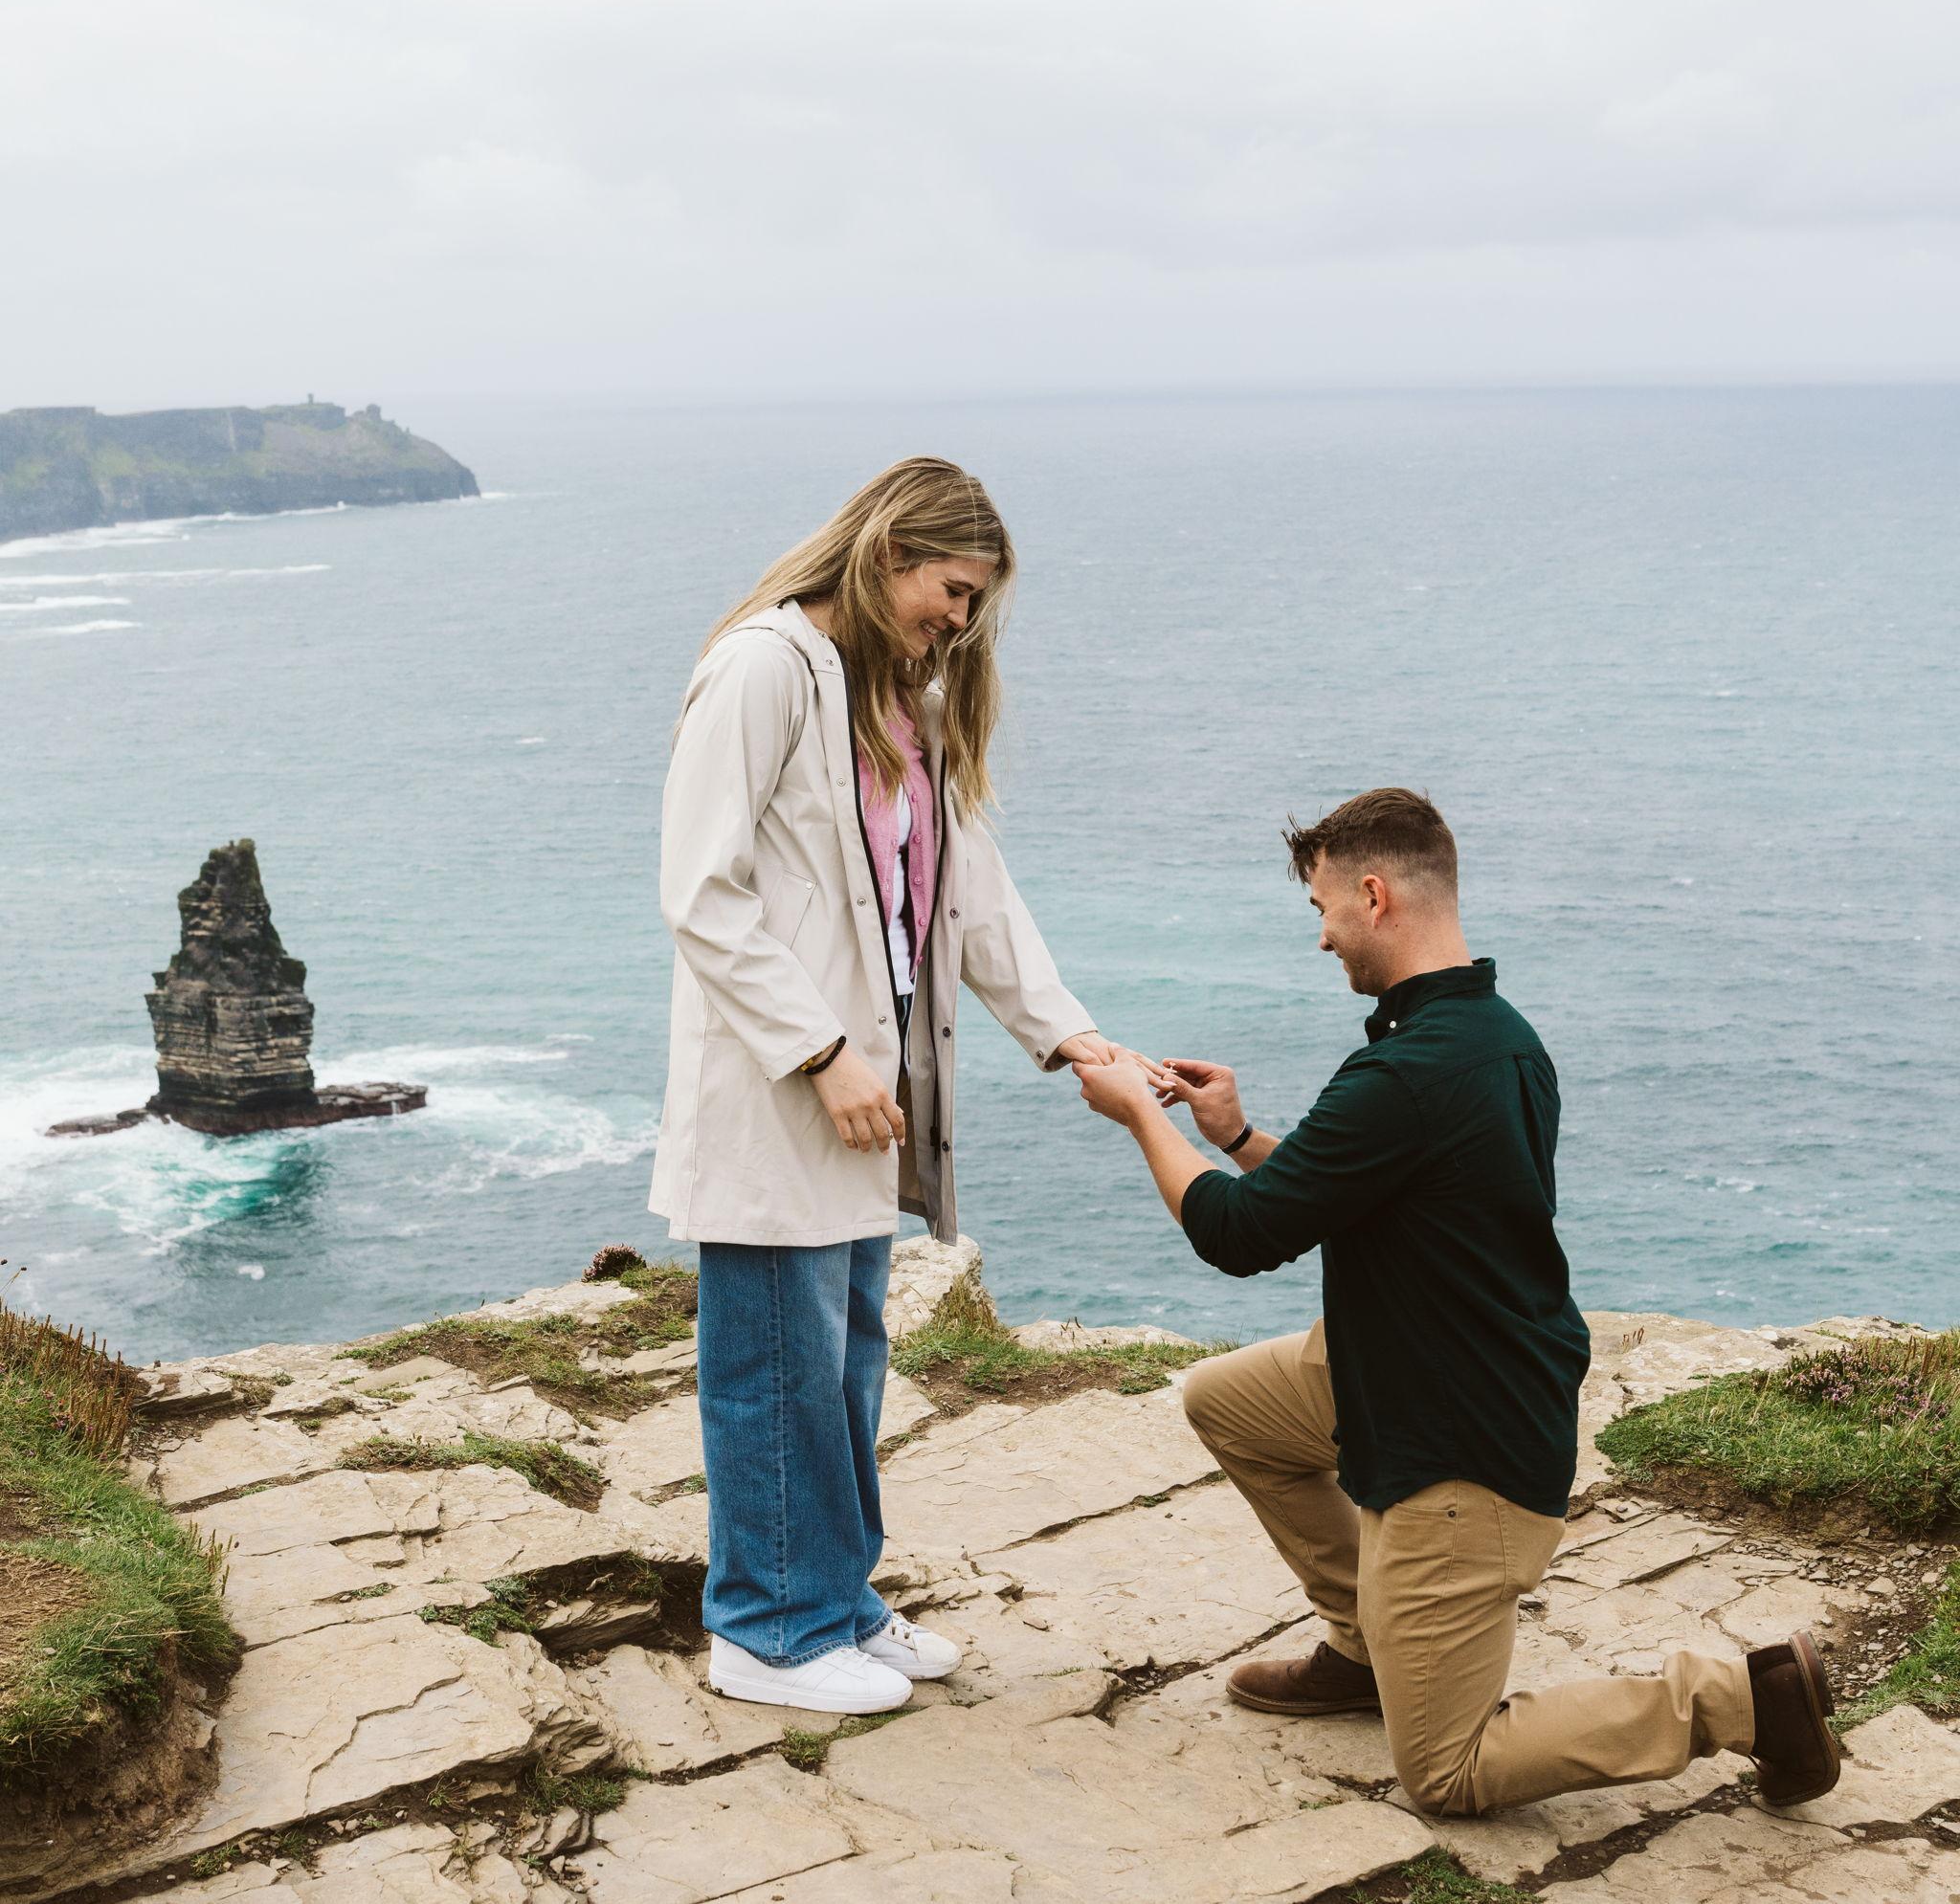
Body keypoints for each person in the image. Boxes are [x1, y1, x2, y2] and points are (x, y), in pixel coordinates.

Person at [1069, 787, 1840, 1817]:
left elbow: (1238, 1235)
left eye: (1322, 909)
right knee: (1228, 1402)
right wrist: (1236, 1136)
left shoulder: (1407, 1073)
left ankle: (1742, 1698)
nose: (1321, 937)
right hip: (1419, 1362)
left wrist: (1136, 1117)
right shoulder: (1496, 1039)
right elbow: (1367, 1195)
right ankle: (1362, 1644)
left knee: (1445, 1772)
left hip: (1459, 1446)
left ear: (1374, 894)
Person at [651, 456, 1149, 1717]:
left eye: (980, 603)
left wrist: (1072, 1036)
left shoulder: (897, 698)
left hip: (867, 1099)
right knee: (772, 1368)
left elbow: (969, 896)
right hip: (789, 1093)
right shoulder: (764, 667)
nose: (962, 620)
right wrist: (819, 1053)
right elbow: (699, 891)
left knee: (846, 1361)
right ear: (886, 553)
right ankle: (766, 1627)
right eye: (954, 589)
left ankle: (836, 1596)